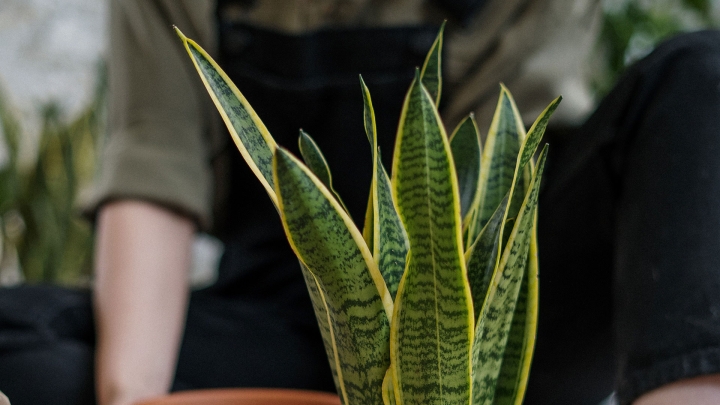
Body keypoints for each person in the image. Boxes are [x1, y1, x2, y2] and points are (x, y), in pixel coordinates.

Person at [1, 1, 720, 405]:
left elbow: (485, 184)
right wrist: (131, 398)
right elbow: (153, 177)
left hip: (488, 324)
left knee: (698, 73)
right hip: (286, 312)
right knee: (23, 344)